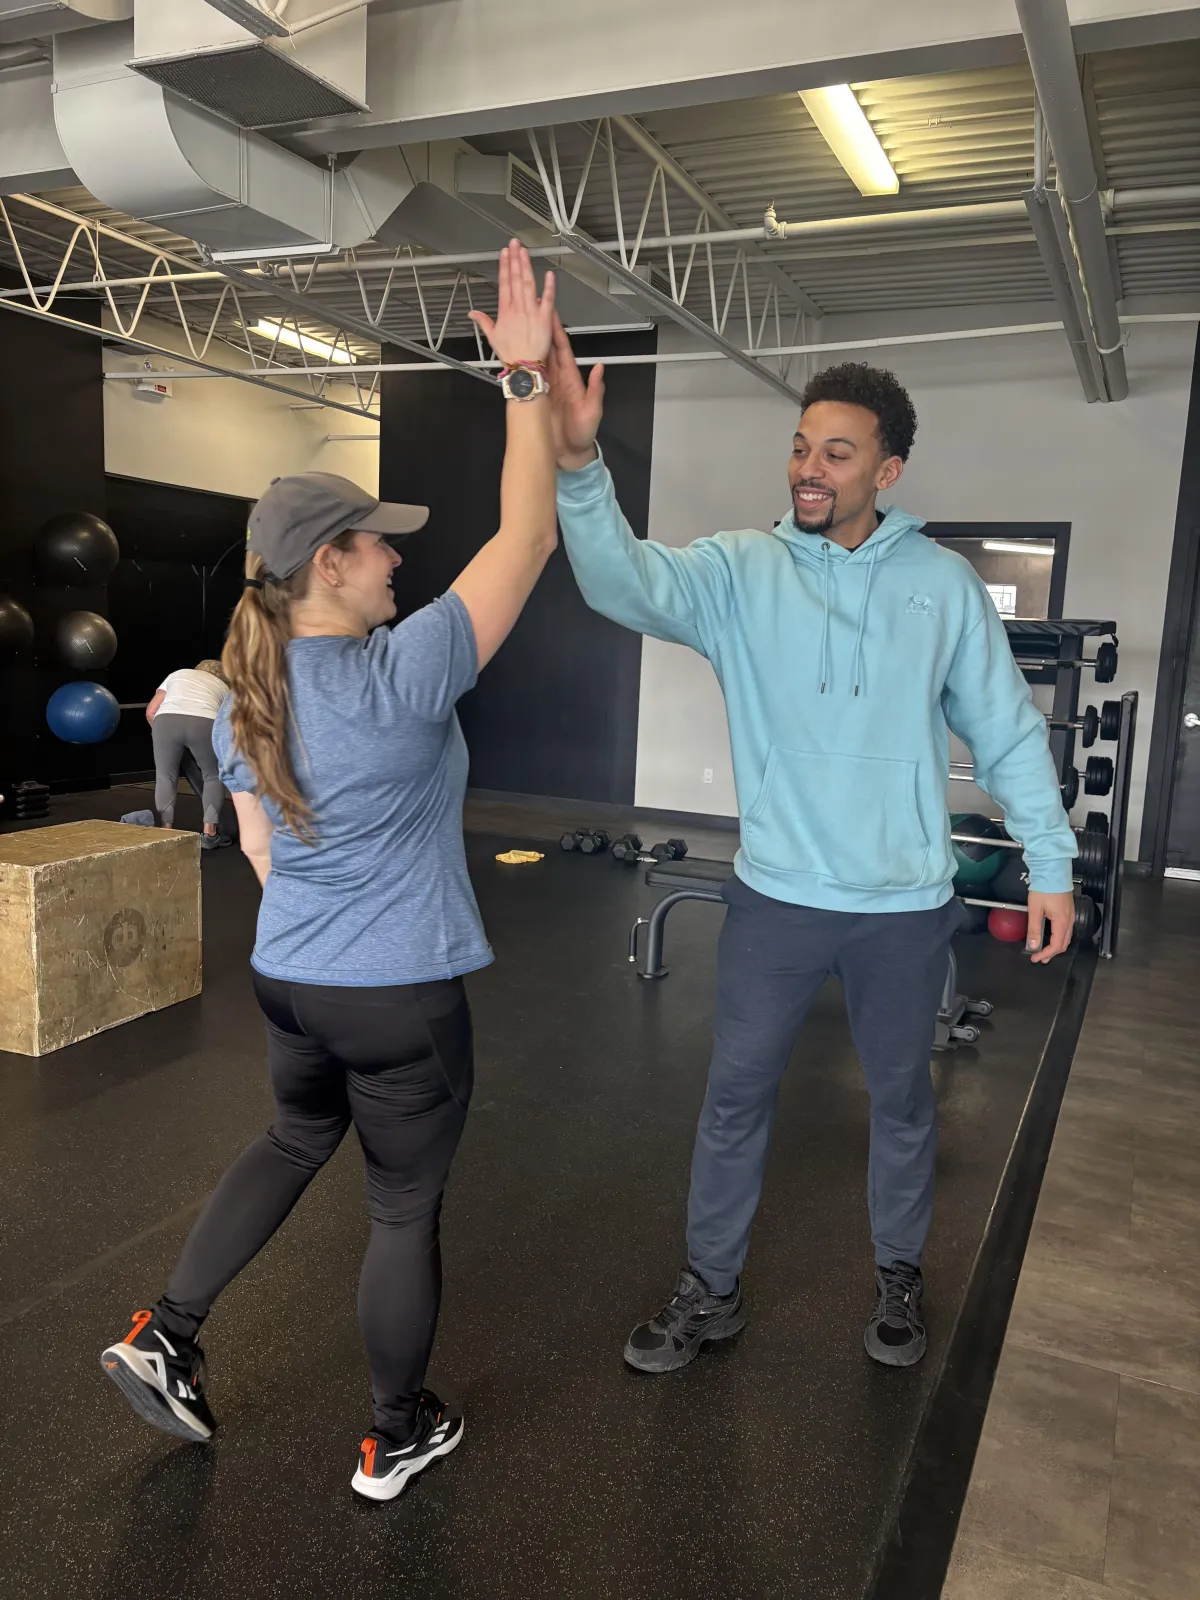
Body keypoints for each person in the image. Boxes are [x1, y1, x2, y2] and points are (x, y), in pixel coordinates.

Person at [101, 242, 560, 1501]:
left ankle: (165, 1332)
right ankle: (392, 1429)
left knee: (295, 1136)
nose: (399, 562)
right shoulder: (401, 674)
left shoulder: (242, 691)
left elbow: (254, 846)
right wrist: (523, 384)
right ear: (329, 565)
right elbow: (528, 533)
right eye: (378, 546)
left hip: (291, 983)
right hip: (398, 995)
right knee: (403, 1206)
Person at [547, 322, 1077, 1374]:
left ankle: (896, 1277)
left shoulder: (941, 585)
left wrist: (1050, 862)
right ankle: (713, 1288)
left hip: (904, 904)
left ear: (887, 468)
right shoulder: (742, 570)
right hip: (778, 898)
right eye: (799, 446)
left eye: (836, 452)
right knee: (735, 1096)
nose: (809, 468)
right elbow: (621, 582)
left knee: (903, 1100)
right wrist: (576, 461)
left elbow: (1006, 729)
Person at [146, 659, 233, 848]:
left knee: (165, 776)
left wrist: (166, 737)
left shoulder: (177, 674)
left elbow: (151, 711)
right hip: (205, 721)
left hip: (165, 720)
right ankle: (209, 835)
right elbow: (227, 723)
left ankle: (167, 832)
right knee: (212, 776)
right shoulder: (223, 687)